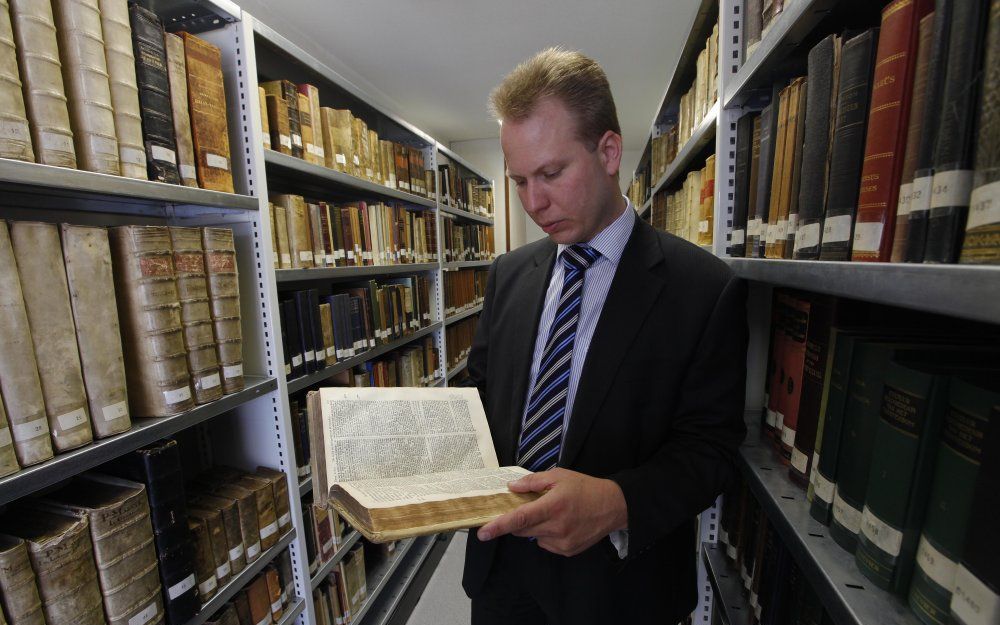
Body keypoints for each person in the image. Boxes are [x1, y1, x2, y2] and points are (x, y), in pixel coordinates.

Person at [462, 47, 749, 625]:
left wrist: (617, 504)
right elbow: (481, 397)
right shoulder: (508, 275)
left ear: (609, 151)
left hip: (620, 591)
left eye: (551, 173)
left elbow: (710, 449)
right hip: (501, 578)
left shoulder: (703, 288)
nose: (534, 203)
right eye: (519, 180)